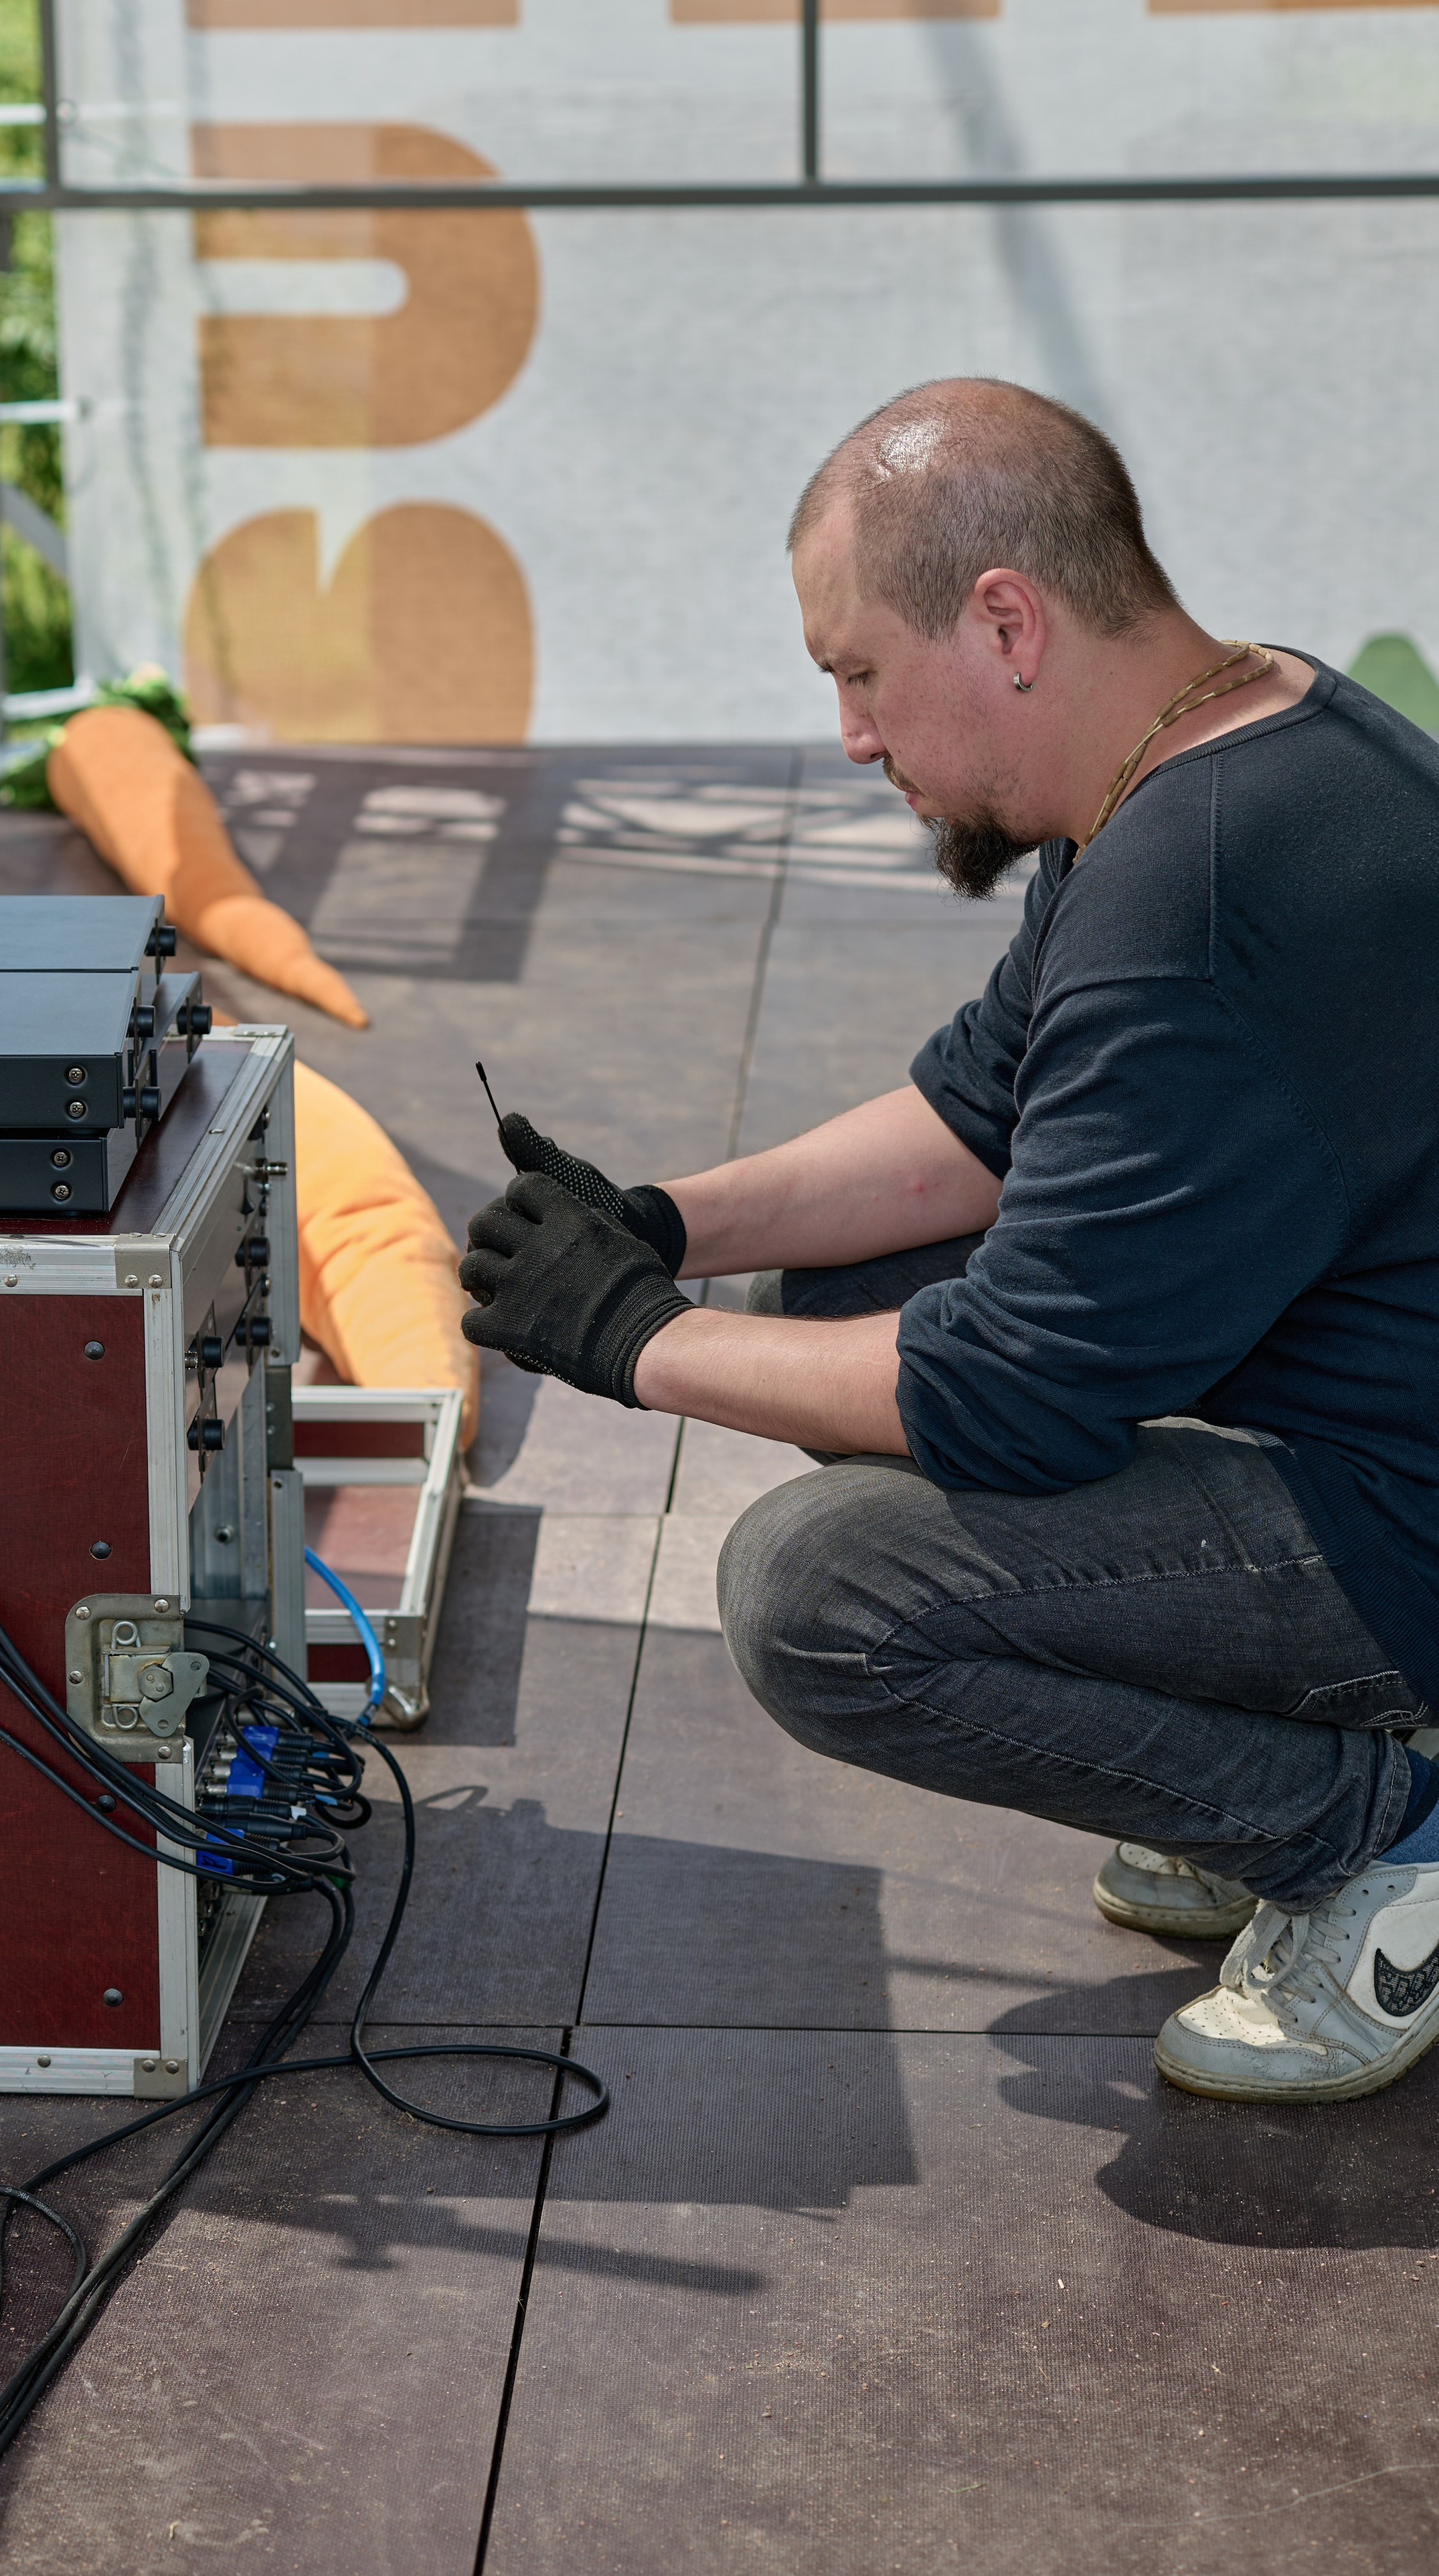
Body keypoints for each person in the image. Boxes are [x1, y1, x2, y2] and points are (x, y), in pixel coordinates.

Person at [459, 376, 1439, 2107]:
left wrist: (627, 1339)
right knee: (814, 1298)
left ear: (1003, 621)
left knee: (826, 1593)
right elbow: (971, 1125)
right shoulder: (1216, 747)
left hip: (1410, 1518)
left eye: (855, 671)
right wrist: (663, 1227)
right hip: (1369, 1410)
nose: (850, 732)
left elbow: (1008, 1407)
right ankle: (1293, 1753)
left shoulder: (1203, 894)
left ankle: (1376, 1822)